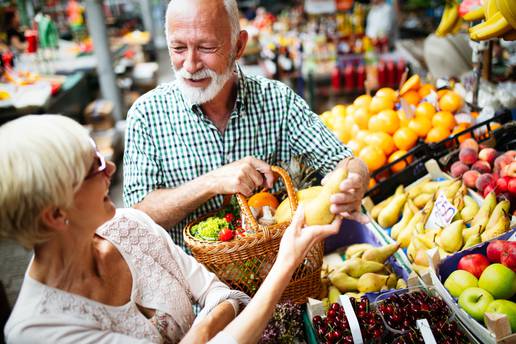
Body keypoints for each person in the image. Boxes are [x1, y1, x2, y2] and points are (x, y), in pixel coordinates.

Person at [1, 115, 340, 343]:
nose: (112, 168)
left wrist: (203, 327)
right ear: (56, 214)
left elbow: (225, 295)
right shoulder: (37, 331)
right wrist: (285, 263)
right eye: (95, 167)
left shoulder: (129, 226)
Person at [123, 0, 370, 249]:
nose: (190, 64)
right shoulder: (146, 115)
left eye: (206, 47)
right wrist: (210, 183)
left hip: (281, 280)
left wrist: (355, 179)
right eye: (177, 48)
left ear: (239, 45)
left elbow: (345, 161)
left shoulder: (278, 101)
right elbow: (137, 217)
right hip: (187, 286)